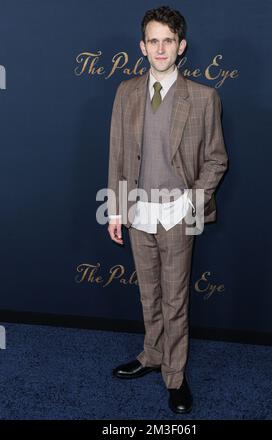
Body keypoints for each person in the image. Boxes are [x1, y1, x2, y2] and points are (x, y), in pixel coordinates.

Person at [107, 5, 228, 414]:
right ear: (143, 47)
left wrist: (190, 202)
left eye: (168, 41)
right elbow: (118, 155)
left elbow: (216, 160)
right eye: (153, 41)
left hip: (180, 212)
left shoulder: (204, 97)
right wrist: (116, 209)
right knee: (148, 294)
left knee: (175, 300)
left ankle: (175, 377)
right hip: (138, 210)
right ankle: (151, 356)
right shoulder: (125, 92)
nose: (161, 48)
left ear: (181, 46)